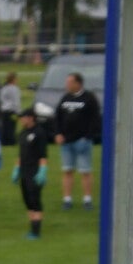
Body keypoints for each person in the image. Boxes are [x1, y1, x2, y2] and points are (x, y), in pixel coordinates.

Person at [52, 72, 99, 209]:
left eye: (69, 82)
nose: (67, 85)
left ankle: (87, 199)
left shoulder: (89, 98)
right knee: (67, 170)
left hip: (82, 141)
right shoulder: (65, 98)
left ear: (78, 83)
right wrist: (58, 133)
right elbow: (57, 117)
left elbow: (95, 119)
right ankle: (67, 199)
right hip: (66, 141)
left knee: (85, 171)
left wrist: (88, 137)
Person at [14, 106, 49, 240]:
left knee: (35, 200)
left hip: (34, 171)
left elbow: (43, 155)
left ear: (30, 118)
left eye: (23, 118)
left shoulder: (39, 133)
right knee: (27, 200)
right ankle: (31, 228)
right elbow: (21, 153)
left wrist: (43, 170)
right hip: (24, 170)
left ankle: (36, 231)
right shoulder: (22, 133)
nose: (21, 120)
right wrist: (16, 169)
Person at [0, 72, 22, 145]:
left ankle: (3, 141)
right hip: (12, 110)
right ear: (13, 79)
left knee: (4, 127)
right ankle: (11, 141)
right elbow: (16, 101)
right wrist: (19, 112)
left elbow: (0, 99)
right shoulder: (15, 89)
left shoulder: (4, 88)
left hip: (4, 110)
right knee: (12, 126)